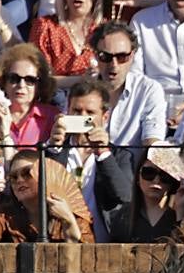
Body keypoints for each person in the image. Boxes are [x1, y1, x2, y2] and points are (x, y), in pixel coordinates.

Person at [45, 77, 135, 242]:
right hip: (58, 244)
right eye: (77, 111)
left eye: (90, 113)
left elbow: (124, 195)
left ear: (105, 117)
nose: (82, 118)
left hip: (103, 248)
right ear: (67, 112)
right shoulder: (52, 149)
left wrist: (103, 153)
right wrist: (54, 147)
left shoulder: (120, 155)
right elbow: (41, 190)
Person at [0, 147, 93, 243]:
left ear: (46, 176)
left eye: (27, 173)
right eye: (13, 177)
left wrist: (69, 220)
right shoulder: (6, 214)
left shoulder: (73, 213)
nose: (19, 180)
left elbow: (84, 255)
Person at [29, 0, 111, 90]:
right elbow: (36, 80)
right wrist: (81, 80)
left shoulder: (108, 30)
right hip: (54, 103)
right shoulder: (46, 27)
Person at [109, 142, 184, 243]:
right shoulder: (123, 216)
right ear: (138, 177)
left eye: (165, 176)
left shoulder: (181, 215)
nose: (156, 180)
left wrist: (181, 211)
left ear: (173, 182)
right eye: (149, 173)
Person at [0, 43, 60, 148]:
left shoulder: (52, 117)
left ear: (40, 84)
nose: (21, 85)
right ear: (3, 81)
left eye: (30, 80)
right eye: (14, 78)